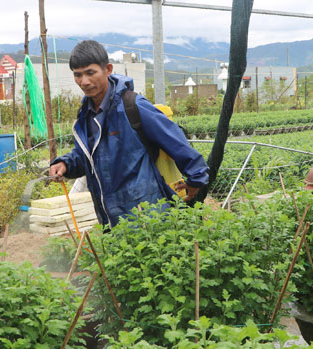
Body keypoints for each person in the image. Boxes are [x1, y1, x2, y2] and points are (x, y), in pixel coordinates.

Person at [49, 40, 209, 228]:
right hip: (111, 219)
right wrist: (66, 163)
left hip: (148, 217)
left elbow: (175, 140)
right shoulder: (85, 117)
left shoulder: (132, 106)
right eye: (78, 75)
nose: (84, 81)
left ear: (107, 69)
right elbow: (88, 157)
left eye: (90, 73)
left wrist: (196, 178)